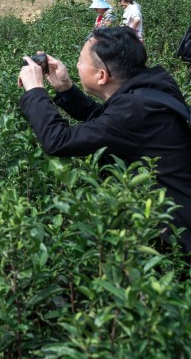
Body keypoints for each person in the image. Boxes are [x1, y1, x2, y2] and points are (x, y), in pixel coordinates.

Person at [18, 27, 191, 252]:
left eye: (80, 61)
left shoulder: (134, 110)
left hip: (177, 235)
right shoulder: (154, 85)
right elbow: (110, 123)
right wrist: (66, 89)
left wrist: (34, 91)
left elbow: (58, 140)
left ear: (102, 76)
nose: (76, 66)